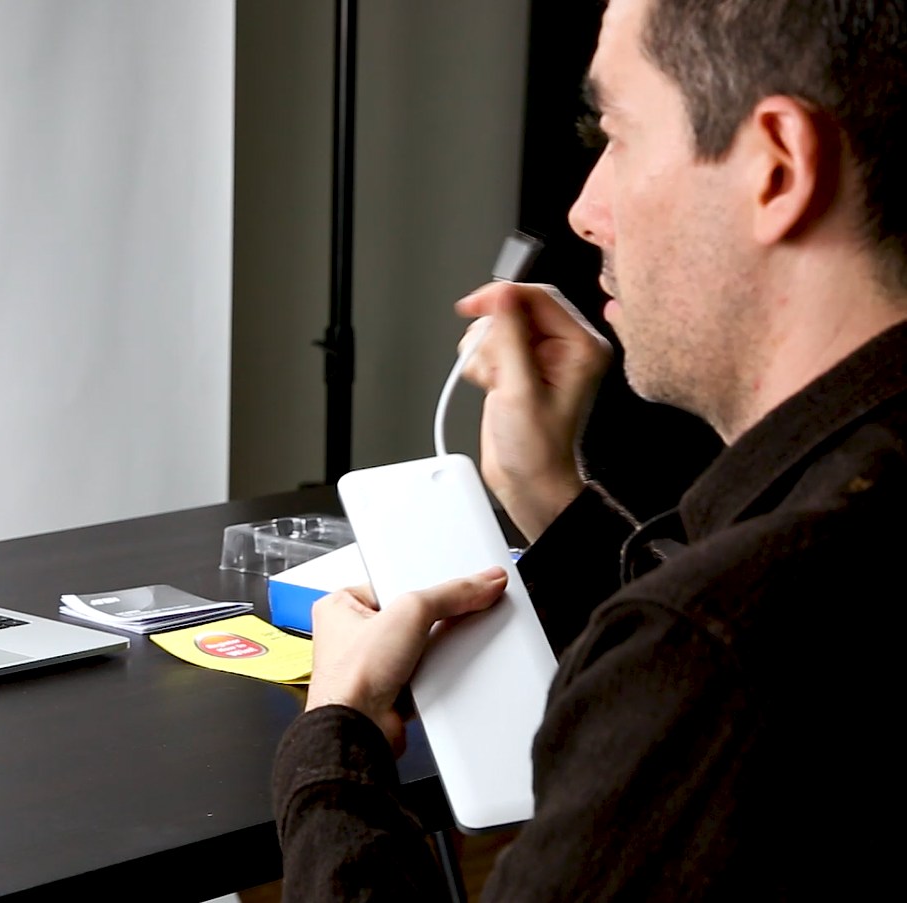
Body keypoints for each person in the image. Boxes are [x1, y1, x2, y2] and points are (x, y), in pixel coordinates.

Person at [273, 0, 906, 898]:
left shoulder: (712, 656)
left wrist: (332, 745)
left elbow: (714, 647)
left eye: (616, 135)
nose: (583, 212)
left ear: (775, 168)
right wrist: (544, 487)